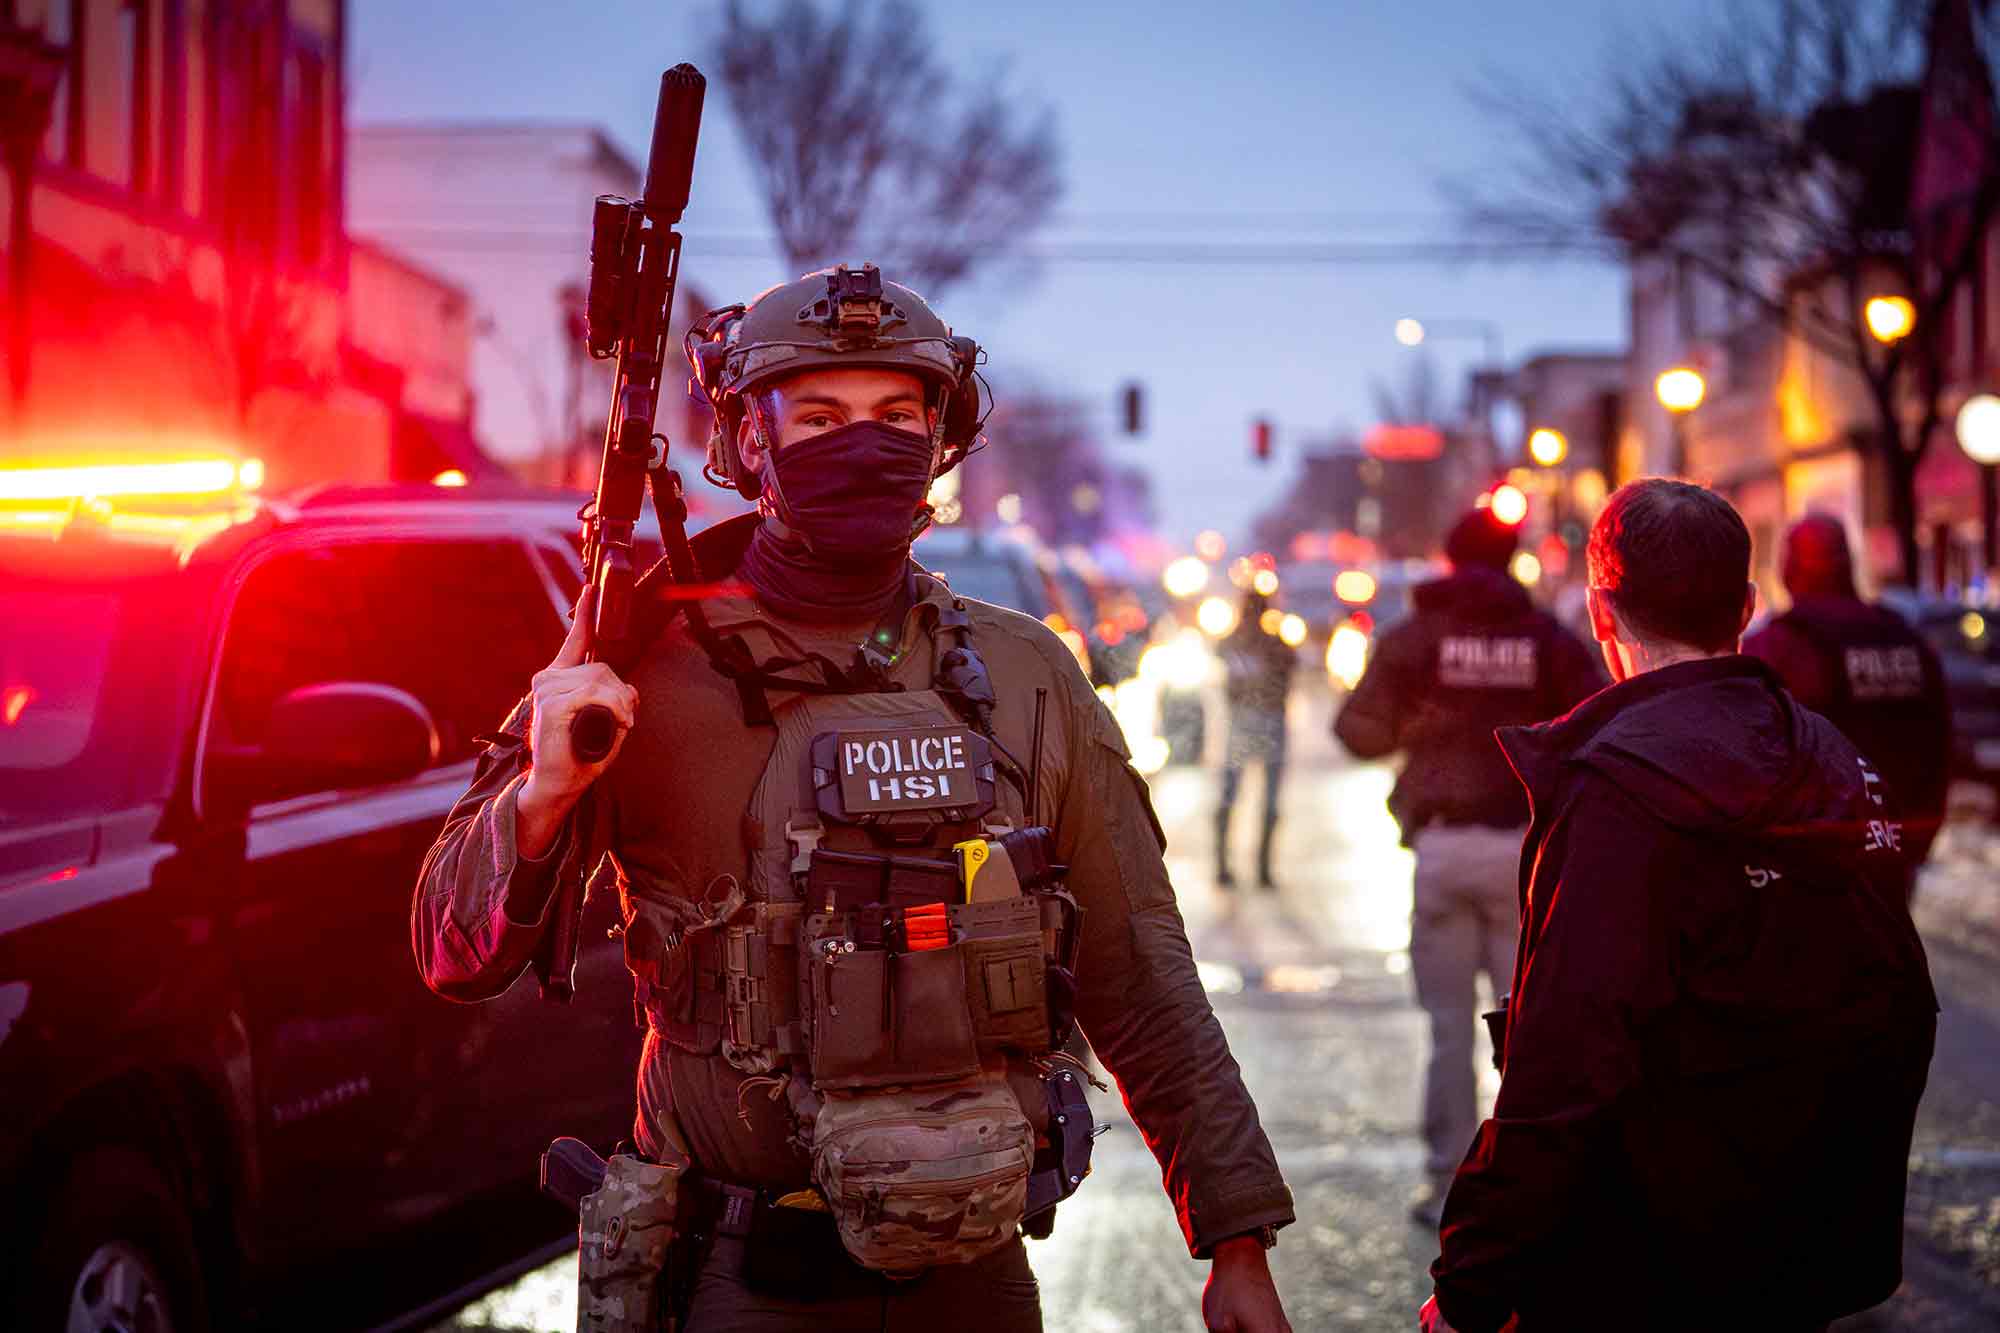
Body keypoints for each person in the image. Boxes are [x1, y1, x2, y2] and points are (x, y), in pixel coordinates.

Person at [411, 267, 1293, 1332]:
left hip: (974, 1283)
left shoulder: (1024, 674)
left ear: (939, 438)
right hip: (732, 1282)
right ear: (748, 446)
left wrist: (1233, 1235)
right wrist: (545, 792)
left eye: (894, 414)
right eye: (819, 416)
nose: (861, 445)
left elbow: (1138, 970)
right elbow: (453, 948)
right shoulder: (638, 667)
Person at [1421, 480, 1938, 1333]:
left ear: (1599, 612)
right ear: (1745, 604)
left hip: (1641, 1265)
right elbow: (1895, 1001)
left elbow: (1561, 1067)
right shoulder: (1831, 756)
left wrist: (1470, 1283)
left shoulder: (1613, 788)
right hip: (1806, 1255)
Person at [1333, 507, 1603, 1227]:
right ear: (1512, 556)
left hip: (1443, 851)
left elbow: (1354, 730)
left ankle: (1448, 1182)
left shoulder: (1419, 638)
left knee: (1450, 1028)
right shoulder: (1543, 637)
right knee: (1530, 1025)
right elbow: (1599, 720)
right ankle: (1531, 1182)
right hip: (1524, 854)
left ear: (1449, 560)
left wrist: (1417, 727)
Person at [1743, 513, 1952, 904]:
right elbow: (1940, 742)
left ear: (1789, 570)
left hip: (1815, 864)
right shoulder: (1906, 638)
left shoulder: (1780, 646)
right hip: (1895, 843)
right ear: (1849, 565)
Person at [1215, 586, 1297, 889]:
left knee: (1248, 799)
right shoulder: (1257, 643)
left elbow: (1285, 674)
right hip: (1254, 722)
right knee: (1240, 797)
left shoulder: (1261, 644)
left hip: (1259, 722)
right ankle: (1237, 866)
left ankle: (1252, 867)